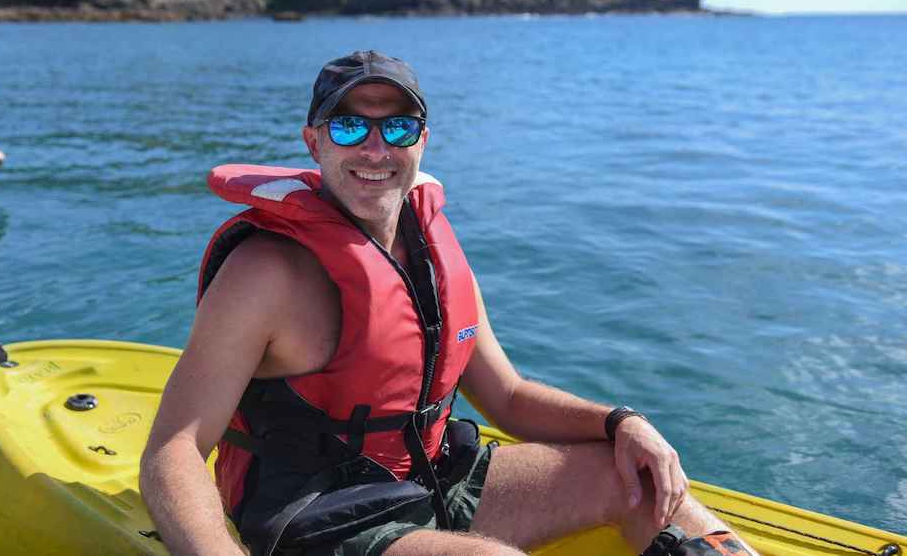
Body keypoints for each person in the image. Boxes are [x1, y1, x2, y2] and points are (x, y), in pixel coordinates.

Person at [140, 50, 760, 556]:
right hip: (318, 518)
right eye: (350, 125)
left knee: (637, 478)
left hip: (432, 480)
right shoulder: (266, 272)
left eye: (398, 127)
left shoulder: (431, 247)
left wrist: (622, 422)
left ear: (423, 139)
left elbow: (509, 398)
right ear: (314, 142)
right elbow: (173, 450)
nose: (375, 149)